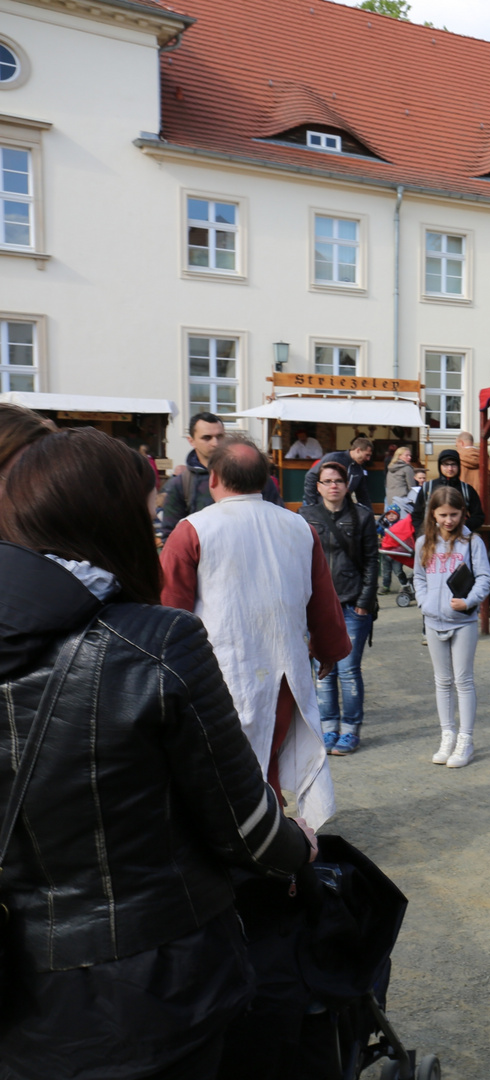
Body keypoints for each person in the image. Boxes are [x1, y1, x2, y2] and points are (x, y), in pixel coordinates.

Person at [0, 425, 319, 1080]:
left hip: (19, 982)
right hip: (154, 978)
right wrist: (297, 846)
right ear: (111, 521)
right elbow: (245, 826)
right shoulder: (155, 641)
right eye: (144, 516)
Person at [160, 435, 348, 826]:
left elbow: (169, 614)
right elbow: (322, 599)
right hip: (284, 675)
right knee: (267, 768)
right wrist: (328, 648)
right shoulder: (298, 526)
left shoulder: (192, 530)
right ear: (264, 480)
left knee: (228, 774)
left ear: (212, 478)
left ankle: (257, 854)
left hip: (217, 678)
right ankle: (275, 848)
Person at [300, 459, 380, 754]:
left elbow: (372, 560)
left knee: (347, 669)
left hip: (351, 604)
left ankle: (350, 729)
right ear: (318, 486)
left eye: (338, 481)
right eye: (327, 481)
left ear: (347, 486)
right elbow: (299, 560)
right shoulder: (306, 515)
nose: (333, 486)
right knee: (323, 669)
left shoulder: (361, 516)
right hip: (317, 606)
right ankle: (328, 726)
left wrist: (364, 603)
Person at [415, 486, 490, 768]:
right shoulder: (424, 542)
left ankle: (465, 739)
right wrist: (424, 603)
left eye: (454, 514)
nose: (448, 520)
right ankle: (447, 735)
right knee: (442, 680)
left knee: (463, 680)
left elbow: (485, 577)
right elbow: (419, 577)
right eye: (443, 514)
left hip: (463, 622)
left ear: (463, 513)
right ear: (433, 513)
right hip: (433, 620)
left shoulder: (472, 542)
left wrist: (469, 600)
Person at [158, 412, 281, 539]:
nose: (215, 443)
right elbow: (171, 536)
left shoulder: (252, 473)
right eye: (207, 438)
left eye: (220, 436)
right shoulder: (181, 484)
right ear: (191, 441)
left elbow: (278, 519)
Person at [411, 447, 486, 535]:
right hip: (432, 537)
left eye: (453, 464)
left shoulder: (467, 489)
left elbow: (478, 516)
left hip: (459, 537)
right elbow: (417, 515)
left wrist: (462, 527)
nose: (450, 468)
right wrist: (422, 534)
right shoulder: (428, 487)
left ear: (458, 466)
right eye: (446, 465)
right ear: (440, 466)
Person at [301, 435, 373, 508]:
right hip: (318, 504)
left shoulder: (359, 468)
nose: (368, 459)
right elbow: (311, 476)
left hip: (339, 507)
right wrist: (311, 504)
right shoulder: (334, 458)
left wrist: (369, 513)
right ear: (358, 450)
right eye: (367, 455)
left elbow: (362, 494)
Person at [384, 444, 415, 510]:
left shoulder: (390, 468)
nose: (409, 457)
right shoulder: (407, 468)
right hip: (403, 500)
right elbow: (412, 487)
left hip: (390, 500)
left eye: (410, 455)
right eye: (407, 455)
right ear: (399, 456)